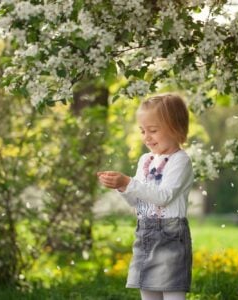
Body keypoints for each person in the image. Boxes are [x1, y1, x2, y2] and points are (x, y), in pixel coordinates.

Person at [97, 94, 194, 300]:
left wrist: (128, 183)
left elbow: (164, 196)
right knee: (147, 289)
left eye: (153, 130)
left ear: (176, 128)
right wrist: (122, 187)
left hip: (170, 235)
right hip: (145, 233)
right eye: (142, 131)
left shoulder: (180, 161)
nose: (146, 137)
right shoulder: (145, 160)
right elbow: (137, 202)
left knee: (172, 292)